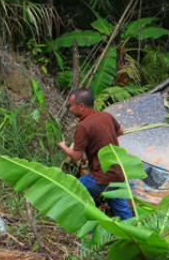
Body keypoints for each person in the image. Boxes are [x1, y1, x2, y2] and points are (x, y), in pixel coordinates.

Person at [57, 88, 133, 220]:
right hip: (117, 173)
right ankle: (133, 235)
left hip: (100, 177)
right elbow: (120, 131)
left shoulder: (83, 126)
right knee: (124, 212)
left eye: (71, 105)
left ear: (81, 106)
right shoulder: (106, 116)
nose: (70, 109)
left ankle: (90, 230)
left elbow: (76, 156)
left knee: (73, 189)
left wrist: (63, 146)